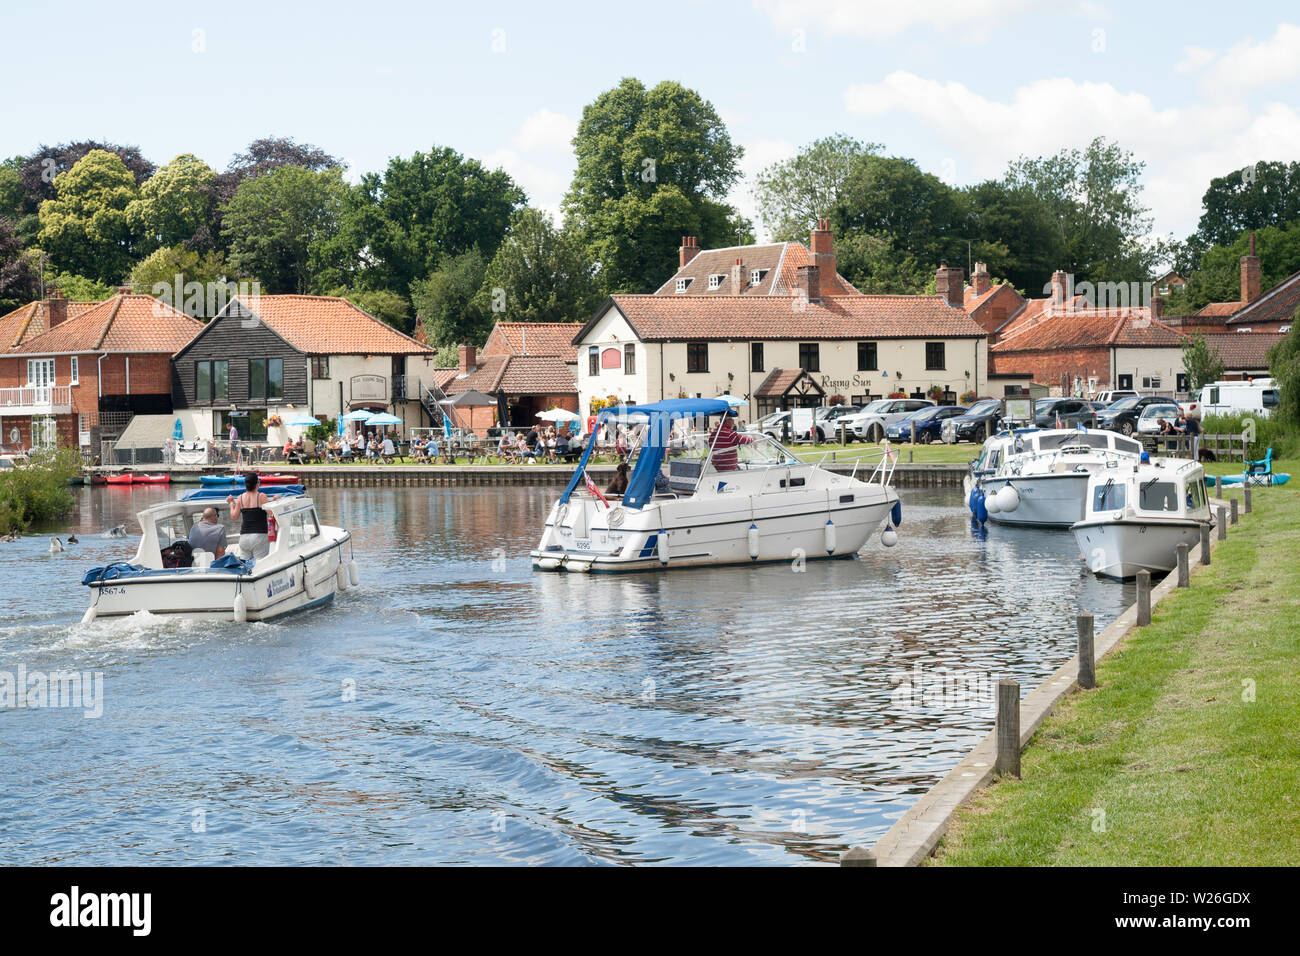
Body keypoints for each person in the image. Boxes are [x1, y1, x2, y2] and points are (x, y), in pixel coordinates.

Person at [226, 474, 280, 561]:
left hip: (244, 538)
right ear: (257, 483)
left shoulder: (240, 498)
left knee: (246, 567)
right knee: (260, 566)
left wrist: (231, 503)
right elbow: (271, 513)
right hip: (259, 536)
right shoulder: (261, 496)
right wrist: (274, 501)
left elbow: (234, 516)